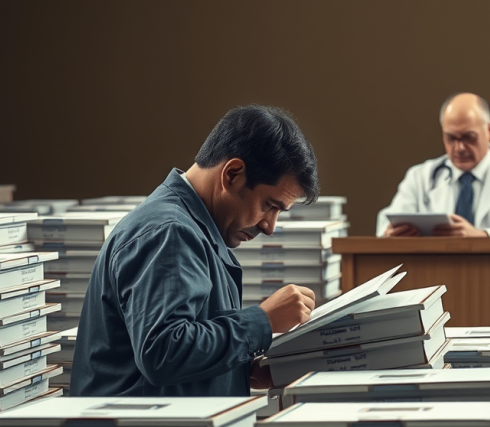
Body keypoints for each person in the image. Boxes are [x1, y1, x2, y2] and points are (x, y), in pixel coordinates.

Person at [71, 105, 319, 397]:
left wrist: (241, 369)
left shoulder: (190, 228)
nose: (269, 226)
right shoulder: (170, 231)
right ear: (233, 174)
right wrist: (262, 321)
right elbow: (164, 351)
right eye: (270, 205)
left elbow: (178, 348)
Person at [376, 92, 490, 237]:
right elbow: (385, 223)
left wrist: (484, 236)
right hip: (433, 273)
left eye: (468, 138)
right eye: (451, 138)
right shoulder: (420, 176)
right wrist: (389, 233)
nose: (459, 148)